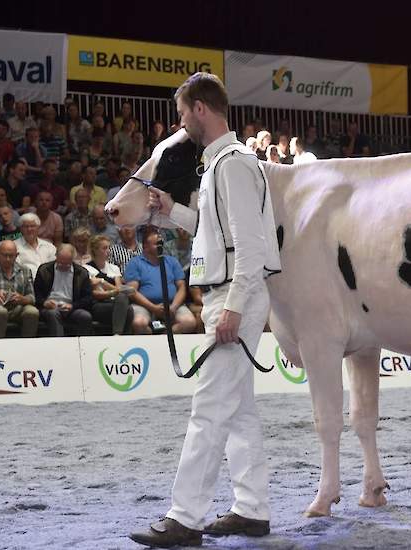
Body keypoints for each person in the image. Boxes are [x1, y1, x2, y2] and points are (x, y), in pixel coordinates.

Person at [129, 72, 280, 547]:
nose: (181, 124)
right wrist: (171, 209)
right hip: (231, 291)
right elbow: (216, 232)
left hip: (234, 294)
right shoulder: (222, 164)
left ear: (199, 109)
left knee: (209, 409)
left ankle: (185, 517)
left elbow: (252, 245)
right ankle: (251, 510)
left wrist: (234, 307)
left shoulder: (233, 164)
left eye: (181, 113)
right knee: (237, 412)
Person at [123, 229, 196, 335]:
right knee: (139, 323)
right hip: (144, 305)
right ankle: (153, 340)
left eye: (161, 243)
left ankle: (164, 338)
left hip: (172, 304)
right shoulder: (135, 263)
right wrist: (153, 308)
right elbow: (132, 291)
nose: (161, 246)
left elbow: (181, 287)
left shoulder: (172, 261)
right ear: (145, 246)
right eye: (157, 244)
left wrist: (174, 307)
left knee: (189, 322)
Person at [35, 243, 94, 336]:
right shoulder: (44, 270)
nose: (63, 266)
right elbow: (36, 294)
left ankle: (83, 347)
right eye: (60, 263)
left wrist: (72, 306)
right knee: (53, 314)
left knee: (85, 316)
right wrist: (44, 302)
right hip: (50, 306)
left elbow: (88, 298)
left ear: (73, 260)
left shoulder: (82, 273)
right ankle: (59, 344)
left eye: (67, 264)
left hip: (72, 307)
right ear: (56, 256)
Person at [86, 234, 134, 335]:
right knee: (126, 307)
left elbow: (119, 289)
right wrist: (114, 292)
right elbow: (96, 293)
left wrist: (102, 282)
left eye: (109, 248)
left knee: (127, 305)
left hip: (116, 301)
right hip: (98, 304)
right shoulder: (87, 268)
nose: (108, 251)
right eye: (104, 248)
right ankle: (117, 334)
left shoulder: (114, 268)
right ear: (95, 250)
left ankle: (120, 336)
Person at [14, 213, 57, 277]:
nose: (29, 229)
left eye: (32, 226)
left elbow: (55, 267)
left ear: (38, 227)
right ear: (21, 229)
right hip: (26, 283)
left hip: (48, 283)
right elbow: (16, 270)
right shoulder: (14, 246)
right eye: (26, 226)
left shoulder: (49, 246)